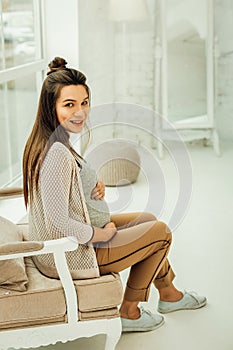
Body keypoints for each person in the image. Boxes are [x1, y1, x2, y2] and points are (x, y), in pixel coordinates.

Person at [23, 57, 207, 333]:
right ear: (51, 107)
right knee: (161, 234)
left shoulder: (50, 140)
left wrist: (89, 183)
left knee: (147, 219)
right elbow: (59, 222)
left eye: (84, 102)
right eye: (69, 105)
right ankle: (129, 312)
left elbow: (61, 190)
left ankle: (169, 293)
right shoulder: (56, 153)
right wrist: (103, 235)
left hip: (67, 242)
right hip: (68, 254)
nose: (80, 112)